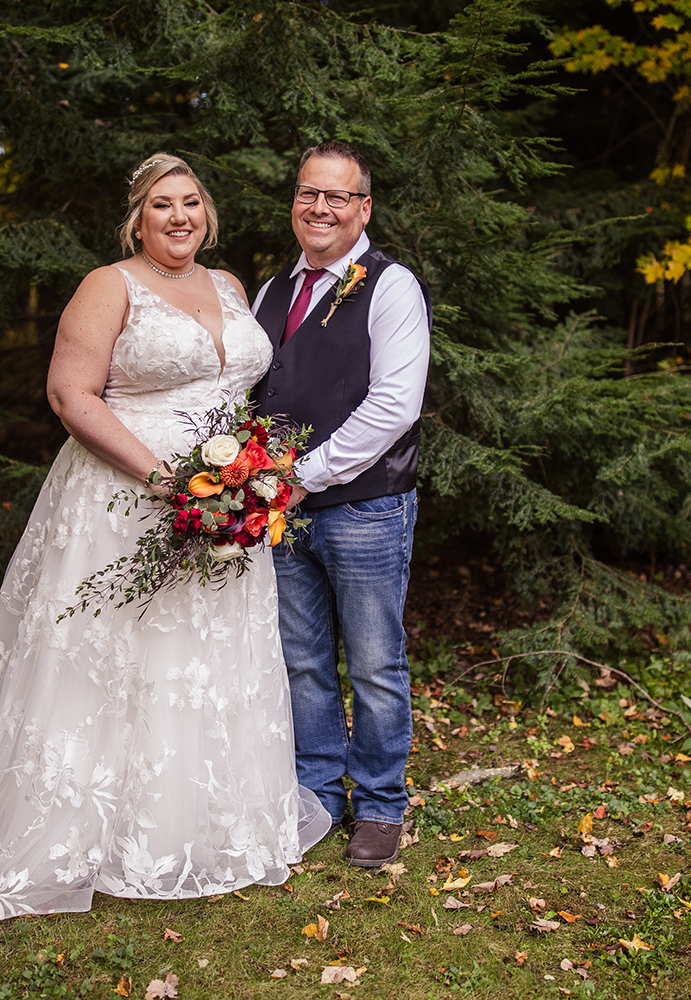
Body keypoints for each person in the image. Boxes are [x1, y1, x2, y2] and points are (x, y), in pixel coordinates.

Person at [0, 153, 330, 918]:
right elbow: (71, 395)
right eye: (162, 205)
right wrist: (164, 480)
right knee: (117, 656)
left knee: (203, 655)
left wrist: (245, 479)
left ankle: (202, 823)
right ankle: (85, 828)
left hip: (228, 503)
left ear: (208, 213)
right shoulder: (108, 286)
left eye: (192, 202)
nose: (179, 217)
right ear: (137, 218)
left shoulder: (232, 286)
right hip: (123, 497)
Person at [251, 141, 431, 867]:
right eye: (307, 194)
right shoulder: (270, 292)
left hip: (364, 510)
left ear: (363, 208)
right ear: (294, 202)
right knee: (301, 661)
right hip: (278, 512)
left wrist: (305, 474)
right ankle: (318, 794)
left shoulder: (391, 286)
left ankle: (382, 805)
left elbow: (394, 406)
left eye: (337, 197)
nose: (319, 208)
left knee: (376, 664)